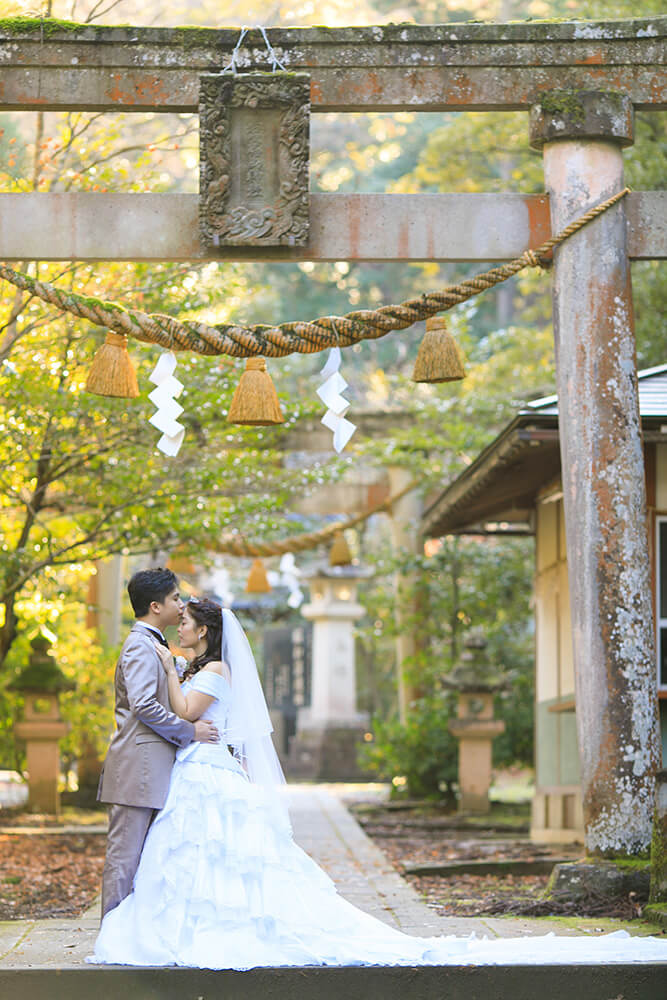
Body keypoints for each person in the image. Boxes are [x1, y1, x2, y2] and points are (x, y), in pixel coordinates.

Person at [92, 597, 667, 968]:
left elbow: (189, 713)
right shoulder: (193, 664)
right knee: (197, 850)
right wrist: (173, 672)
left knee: (219, 850)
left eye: (187, 620)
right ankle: (187, 921)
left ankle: (219, 926)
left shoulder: (209, 668)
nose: (180, 625)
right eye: (178, 617)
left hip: (205, 767)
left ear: (207, 632)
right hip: (197, 769)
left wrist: (169, 670)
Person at [97, 569, 219, 919]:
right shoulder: (139, 645)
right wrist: (189, 731)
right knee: (125, 856)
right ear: (155, 606)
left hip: (154, 769)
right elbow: (144, 705)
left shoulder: (155, 644)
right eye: (175, 599)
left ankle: (135, 932)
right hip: (137, 769)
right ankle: (112, 935)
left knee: (147, 858)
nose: (181, 607)